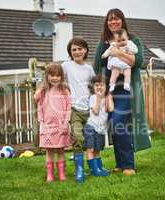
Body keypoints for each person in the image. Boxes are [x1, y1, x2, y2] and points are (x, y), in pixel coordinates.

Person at [94, 8, 151, 176]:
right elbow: (97, 66)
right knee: (114, 126)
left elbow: (138, 62)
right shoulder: (103, 43)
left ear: (122, 21)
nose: (113, 22)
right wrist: (101, 92)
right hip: (110, 90)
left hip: (127, 89)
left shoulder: (133, 40)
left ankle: (128, 165)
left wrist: (117, 51)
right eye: (110, 20)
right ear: (107, 22)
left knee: (120, 123)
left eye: (117, 19)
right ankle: (120, 163)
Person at [61, 37, 95, 183]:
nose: (77, 52)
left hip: (89, 109)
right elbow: (56, 78)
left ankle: (94, 167)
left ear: (85, 50)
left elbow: (94, 86)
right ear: (70, 52)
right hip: (74, 108)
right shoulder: (66, 66)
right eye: (73, 49)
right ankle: (79, 170)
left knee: (91, 138)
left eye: (80, 49)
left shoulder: (89, 68)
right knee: (77, 138)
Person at [34, 63, 71, 182]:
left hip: (61, 126)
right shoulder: (43, 91)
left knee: (61, 150)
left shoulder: (64, 91)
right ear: (47, 76)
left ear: (61, 77)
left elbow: (68, 107)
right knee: (49, 151)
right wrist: (41, 122)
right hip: (47, 126)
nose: (55, 78)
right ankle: (50, 174)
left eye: (57, 75)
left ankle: (61, 173)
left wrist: (66, 123)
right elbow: (39, 107)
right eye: (52, 75)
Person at [83, 75, 114, 176]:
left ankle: (99, 167)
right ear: (93, 87)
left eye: (102, 85)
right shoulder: (93, 97)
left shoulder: (107, 97)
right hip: (91, 127)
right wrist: (99, 98)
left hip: (100, 130)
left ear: (106, 87)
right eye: (97, 85)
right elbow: (95, 111)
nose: (99, 87)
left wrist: (108, 97)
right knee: (90, 149)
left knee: (97, 150)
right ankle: (95, 170)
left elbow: (111, 109)